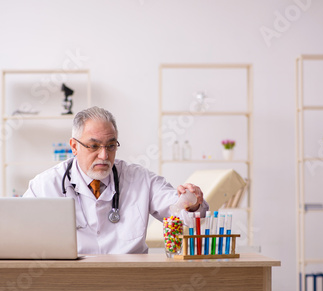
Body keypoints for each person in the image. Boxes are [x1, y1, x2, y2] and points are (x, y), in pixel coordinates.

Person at [23, 106, 209, 254]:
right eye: (93, 146)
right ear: (74, 146)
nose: (104, 155)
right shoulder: (46, 185)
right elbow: (18, 232)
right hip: (71, 280)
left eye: (111, 145)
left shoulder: (140, 179)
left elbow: (181, 212)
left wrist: (191, 203)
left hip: (130, 279)